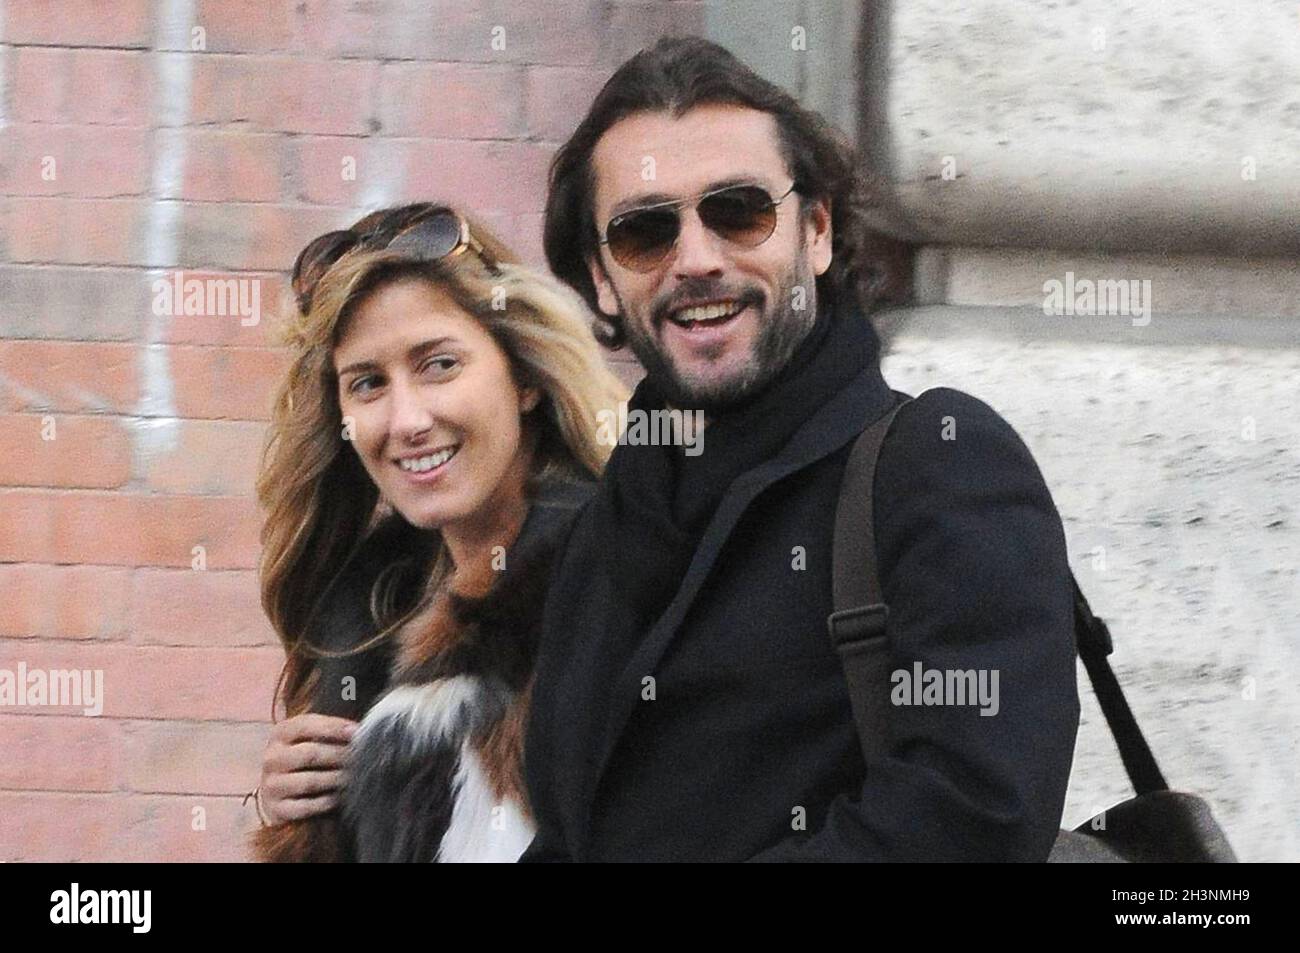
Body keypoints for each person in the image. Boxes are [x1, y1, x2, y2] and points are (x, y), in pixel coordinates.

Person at [522, 37, 1081, 861]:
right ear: (603, 278)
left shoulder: (938, 463)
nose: (697, 260)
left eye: (739, 211)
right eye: (645, 232)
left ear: (815, 233)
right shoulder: (605, 524)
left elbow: (974, 813)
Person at [251, 203, 625, 862]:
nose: (407, 419)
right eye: (367, 383)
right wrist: (299, 814)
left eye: (439, 365)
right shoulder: (365, 618)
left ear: (525, 379)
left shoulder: (613, 581)